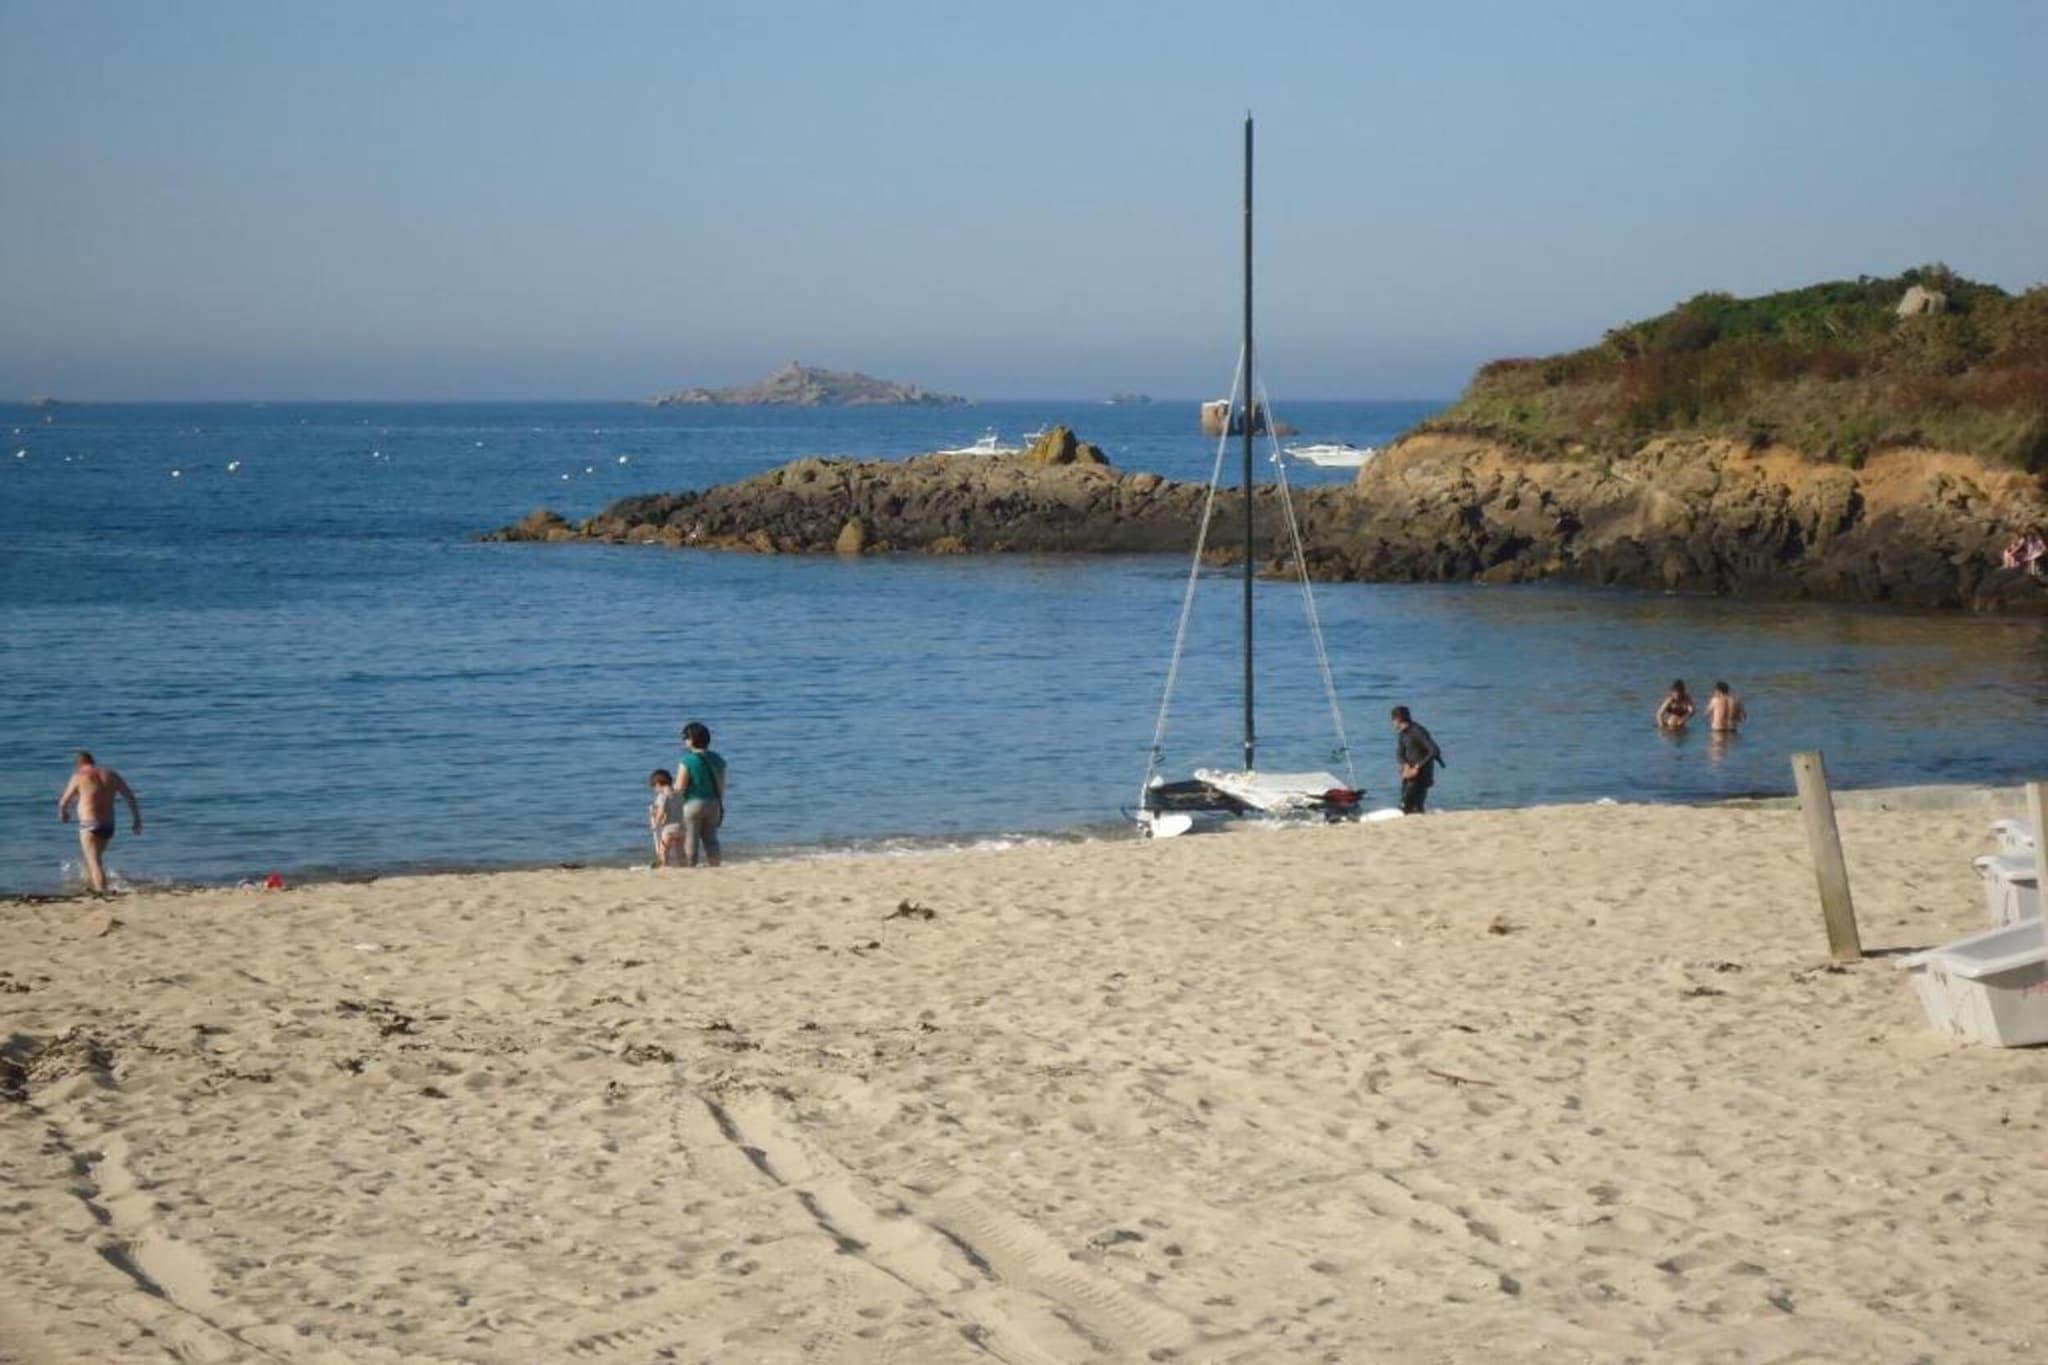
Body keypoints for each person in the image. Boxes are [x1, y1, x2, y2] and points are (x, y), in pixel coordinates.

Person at [56, 751, 142, 896]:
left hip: (89, 823)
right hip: (109, 825)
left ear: (78, 764)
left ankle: (101, 891)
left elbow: (63, 801)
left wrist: (63, 814)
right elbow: (130, 796)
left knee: (93, 861)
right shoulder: (112, 775)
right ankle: (92, 885)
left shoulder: (79, 776)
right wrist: (137, 819)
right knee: (95, 859)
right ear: (93, 762)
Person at [675, 721, 728, 868]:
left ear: (691, 740)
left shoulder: (687, 760)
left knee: (691, 839)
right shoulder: (718, 759)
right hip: (714, 802)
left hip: (692, 803)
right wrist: (719, 802)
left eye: (685, 738)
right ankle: (715, 866)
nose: (684, 741)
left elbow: (680, 787)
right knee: (711, 840)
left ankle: (691, 867)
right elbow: (722, 785)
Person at [1390, 706, 1444, 815]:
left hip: (1422, 775)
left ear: (1398, 719)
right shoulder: (1403, 733)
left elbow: (1434, 750)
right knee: (1414, 807)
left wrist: (1417, 767)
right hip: (1410, 775)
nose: (1392, 723)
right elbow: (1399, 753)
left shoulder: (1417, 731)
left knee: (1404, 805)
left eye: (1393, 720)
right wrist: (1404, 765)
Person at [647, 769, 686, 868]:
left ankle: (665, 865)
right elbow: (675, 808)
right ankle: (684, 866)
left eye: (654, 788)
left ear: (658, 784)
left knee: (663, 850)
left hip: (669, 829)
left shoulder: (662, 796)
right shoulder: (679, 794)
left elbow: (661, 812)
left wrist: (656, 824)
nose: (655, 790)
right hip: (681, 827)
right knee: (680, 850)